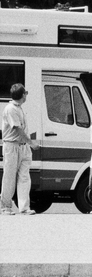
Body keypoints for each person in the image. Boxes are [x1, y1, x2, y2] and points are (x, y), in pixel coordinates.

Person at [1, 83, 39, 215]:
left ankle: (24, 207)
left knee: (24, 176)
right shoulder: (11, 109)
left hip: (22, 147)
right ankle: (5, 206)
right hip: (12, 146)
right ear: (22, 95)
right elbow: (17, 129)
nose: (26, 95)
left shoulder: (19, 108)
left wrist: (27, 144)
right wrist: (31, 143)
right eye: (26, 92)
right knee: (9, 176)